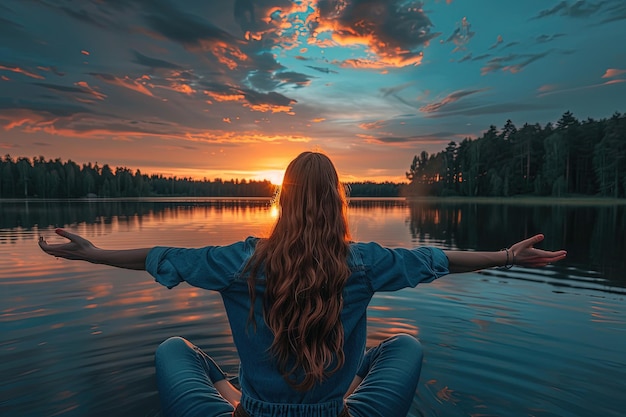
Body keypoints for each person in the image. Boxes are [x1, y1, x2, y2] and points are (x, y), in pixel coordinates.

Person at [38, 151, 566, 417]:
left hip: (256, 411)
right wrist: (505, 256)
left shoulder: (239, 261)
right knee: (403, 345)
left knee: (178, 349)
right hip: (336, 412)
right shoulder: (363, 262)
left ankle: (243, 394)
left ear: (283, 200)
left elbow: (162, 257)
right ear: (339, 200)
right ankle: (323, 388)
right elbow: (435, 261)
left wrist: (95, 254)